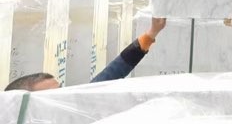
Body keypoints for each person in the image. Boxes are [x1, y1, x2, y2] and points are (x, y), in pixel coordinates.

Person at [4, 17, 167, 92]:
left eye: (61, 90)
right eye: (53, 96)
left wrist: (151, 34)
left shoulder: (71, 111)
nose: (62, 98)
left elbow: (111, 75)